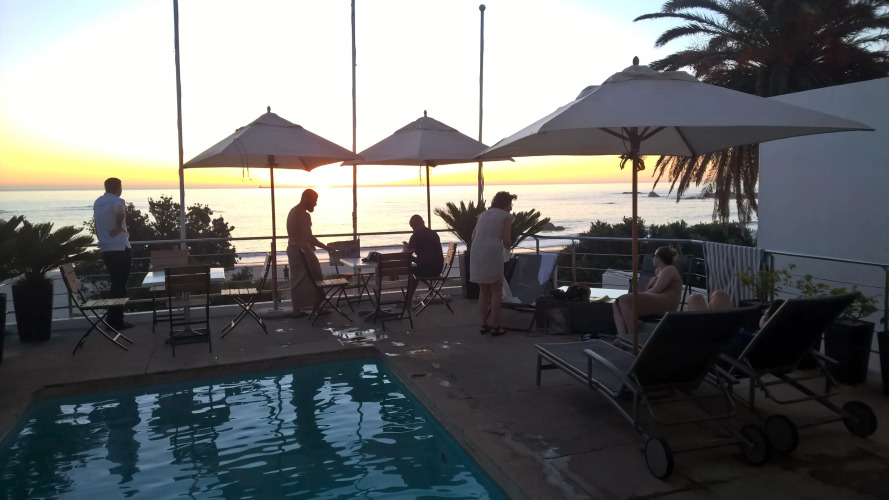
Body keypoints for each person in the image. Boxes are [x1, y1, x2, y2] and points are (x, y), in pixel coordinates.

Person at [469, 191, 516, 336]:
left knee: (483, 290)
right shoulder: (506, 217)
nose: (511, 208)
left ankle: (483, 324)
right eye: (510, 204)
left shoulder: (484, 214)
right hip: (492, 251)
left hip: (476, 251)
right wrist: (508, 250)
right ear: (505, 204)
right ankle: (496, 326)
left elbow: (473, 236)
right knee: (496, 290)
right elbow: (506, 240)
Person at [612, 246, 683, 338]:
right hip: (657, 300)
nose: (652, 257)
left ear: (660, 258)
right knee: (617, 303)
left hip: (667, 302)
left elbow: (657, 289)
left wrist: (638, 296)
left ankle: (631, 337)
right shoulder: (658, 271)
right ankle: (622, 337)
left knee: (625, 299)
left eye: (654, 255)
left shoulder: (669, 269)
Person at [93, 177, 132, 330]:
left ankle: (113, 318)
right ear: (118, 188)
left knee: (116, 284)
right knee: (120, 286)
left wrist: (100, 238)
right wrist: (118, 226)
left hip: (106, 248)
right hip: (120, 248)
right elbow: (120, 211)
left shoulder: (98, 202)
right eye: (121, 187)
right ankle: (116, 321)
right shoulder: (117, 200)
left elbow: (96, 222)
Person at [286, 189, 331, 318]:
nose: (315, 204)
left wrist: (309, 243)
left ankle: (296, 310)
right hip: (302, 250)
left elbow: (297, 233)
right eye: (314, 200)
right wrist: (326, 248)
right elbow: (308, 236)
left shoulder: (293, 211)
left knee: (296, 280)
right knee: (317, 276)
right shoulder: (304, 215)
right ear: (307, 198)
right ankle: (318, 307)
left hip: (292, 248)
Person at [402, 214, 443, 301]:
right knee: (414, 271)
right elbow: (426, 257)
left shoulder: (416, 236)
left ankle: (407, 300)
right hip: (438, 269)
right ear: (423, 222)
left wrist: (405, 248)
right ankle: (408, 299)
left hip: (427, 270)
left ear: (413, 225)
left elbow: (406, 255)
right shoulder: (433, 233)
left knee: (410, 271)